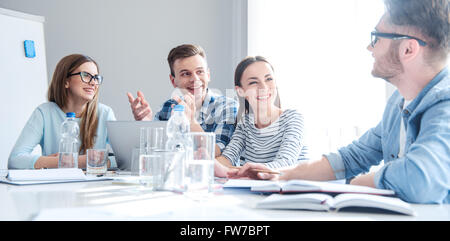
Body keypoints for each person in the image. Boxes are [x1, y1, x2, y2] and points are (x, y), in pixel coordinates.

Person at [230, 0, 450, 204]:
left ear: (408, 50)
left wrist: (354, 185)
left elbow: (421, 180)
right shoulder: (398, 103)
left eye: (377, 38)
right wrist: (280, 175)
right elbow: (353, 157)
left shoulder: (445, 103)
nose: (369, 48)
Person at [127, 44, 238, 156]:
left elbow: (218, 153)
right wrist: (147, 124)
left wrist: (191, 123)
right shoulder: (167, 108)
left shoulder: (227, 107)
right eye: (186, 74)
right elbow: (157, 153)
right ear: (173, 81)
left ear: (208, 75)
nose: (195, 79)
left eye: (199, 72)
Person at [8, 54, 116, 169]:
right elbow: (15, 160)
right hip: (57, 186)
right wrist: (78, 162)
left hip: (95, 186)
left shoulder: (105, 113)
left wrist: (62, 162)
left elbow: (123, 161)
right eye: (85, 75)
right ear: (66, 81)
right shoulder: (44, 113)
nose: (93, 83)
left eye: (96, 78)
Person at [214, 56, 308, 177]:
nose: (264, 87)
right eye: (253, 82)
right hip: (261, 190)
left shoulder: (293, 118)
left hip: (294, 190)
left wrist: (244, 170)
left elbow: (285, 163)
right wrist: (206, 163)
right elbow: (227, 159)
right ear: (241, 91)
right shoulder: (245, 123)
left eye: (269, 79)